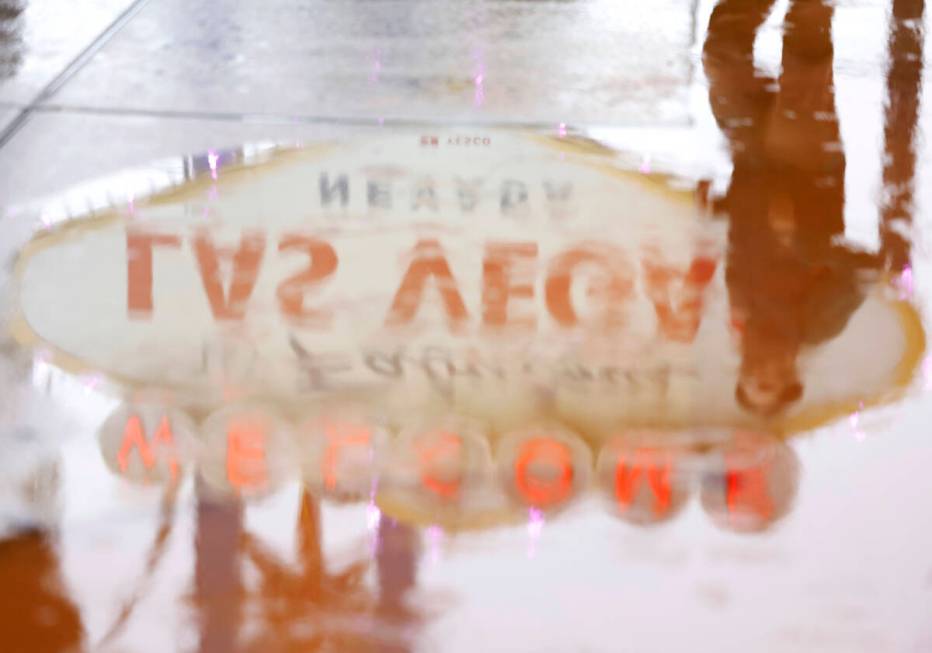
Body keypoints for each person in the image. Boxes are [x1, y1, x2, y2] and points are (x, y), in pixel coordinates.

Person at [703, 0, 886, 416]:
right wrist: (803, 241)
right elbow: (865, 267)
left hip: (750, 163)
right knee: (804, 52)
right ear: (790, 375)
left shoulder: (742, 316)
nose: (757, 370)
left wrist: (722, 208)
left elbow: (745, 245)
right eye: (767, 381)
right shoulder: (818, 323)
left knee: (724, 51)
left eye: (749, 378)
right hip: (803, 165)